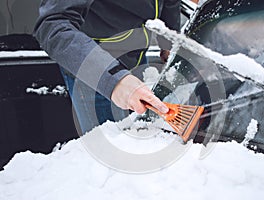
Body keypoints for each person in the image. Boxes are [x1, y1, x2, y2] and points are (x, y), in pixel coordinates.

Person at [33, 0, 181, 134]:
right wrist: (113, 79)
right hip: (96, 72)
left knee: (141, 142)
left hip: (136, 59)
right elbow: (52, 25)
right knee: (113, 154)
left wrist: (168, 41)